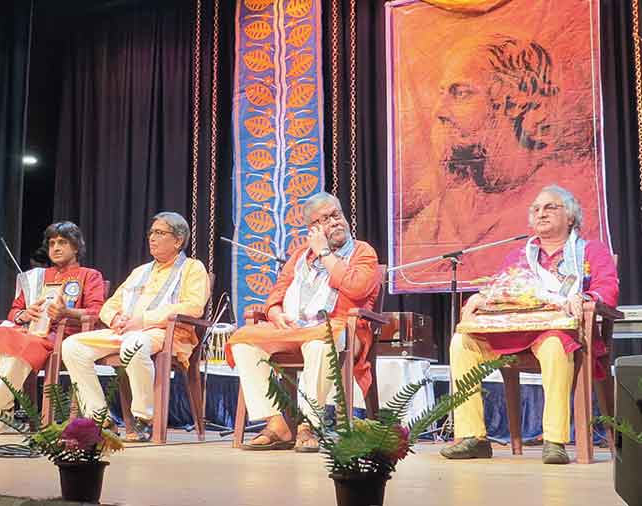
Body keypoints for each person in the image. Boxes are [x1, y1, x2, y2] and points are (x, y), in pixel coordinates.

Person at [399, 35, 605, 286]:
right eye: (443, 94)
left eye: (461, 93)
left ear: (515, 102)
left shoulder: (559, 202)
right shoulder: (429, 224)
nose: (439, 112)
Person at [441, 185, 618, 464]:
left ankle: (554, 441)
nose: (541, 213)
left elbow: (608, 289)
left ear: (570, 217)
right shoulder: (519, 256)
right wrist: (482, 296)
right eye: (536, 209)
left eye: (550, 207)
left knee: (554, 346)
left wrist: (584, 297)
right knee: (462, 343)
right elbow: (500, 289)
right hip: (511, 334)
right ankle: (473, 437)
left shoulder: (590, 251)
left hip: (558, 333)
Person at [226, 192, 380, 451]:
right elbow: (278, 290)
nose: (335, 222)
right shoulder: (300, 255)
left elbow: (356, 288)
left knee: (320, 344)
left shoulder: (363, 252)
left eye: (337, 215)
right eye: (325, 219)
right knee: (244, 341)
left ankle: (308, 425)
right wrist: (274, 311)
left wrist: (324, 254)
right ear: (312, 229)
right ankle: (276, 423)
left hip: (340, 327)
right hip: (296, 329)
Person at [61, 212, 208, 442]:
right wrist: (115, 318)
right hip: (124, 331)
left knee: (134, 344)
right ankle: (99, 417)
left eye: (160, 233)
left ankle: (143, 418)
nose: (152, 238)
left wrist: (145, 320)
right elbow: (110, 305)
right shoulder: (140, 272)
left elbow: (194, 307)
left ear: (178, 240)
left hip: (165, 333)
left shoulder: (192, 268)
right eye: (151, 233)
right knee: (71, 346)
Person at [0, 221, 105, 434]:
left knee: (23, 344)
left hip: (64, 337)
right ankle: (2, 412)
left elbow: (96, 313)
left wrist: (65, 313)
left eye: (62, 242)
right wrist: (26, 314)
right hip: (30, 333)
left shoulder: (89, 275)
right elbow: (14, 312)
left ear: (76, 247)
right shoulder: (37, 277)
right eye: (51, 244)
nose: (56, 248)